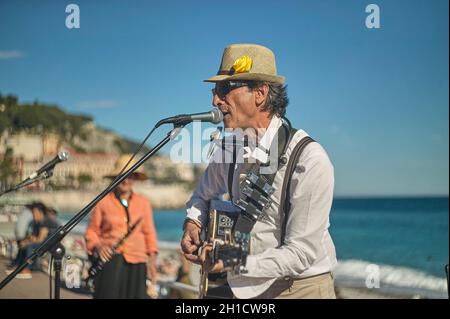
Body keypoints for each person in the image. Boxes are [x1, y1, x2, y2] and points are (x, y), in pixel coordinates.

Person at [181, 44, 337, 299]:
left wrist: (234, 262)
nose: (215, 100)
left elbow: (300, 254)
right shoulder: (230, 147)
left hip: (299, 287)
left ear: (260, 94)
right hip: (243, 286)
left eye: (224, 89)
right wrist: (193, 221)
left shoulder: (309, 159)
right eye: (215, 90)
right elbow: (202, 194)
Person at [85, 154, 159, 299]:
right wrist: (99, 246)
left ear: (135, 179)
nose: (126, 180)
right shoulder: (103, 202)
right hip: (110, 261)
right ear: (115, 177)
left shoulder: (143, 203)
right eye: (123, 176)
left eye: (130, 176)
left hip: (137, 263)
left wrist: (152, 263)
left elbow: (149, 233)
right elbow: (91, 232)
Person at [7, 202, 57, 278]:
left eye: (35, 213)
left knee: (30, 246)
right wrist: (25, 241)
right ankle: (18, 266)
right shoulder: (37, 222)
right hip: (42, 243)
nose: (33, 215)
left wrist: (28, 242)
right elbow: (34, 237)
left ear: (41, 212)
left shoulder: (46, 221)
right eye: (33, 213)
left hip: (50, 245)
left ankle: (26, 270)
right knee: (23, 244)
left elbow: (40, 239)